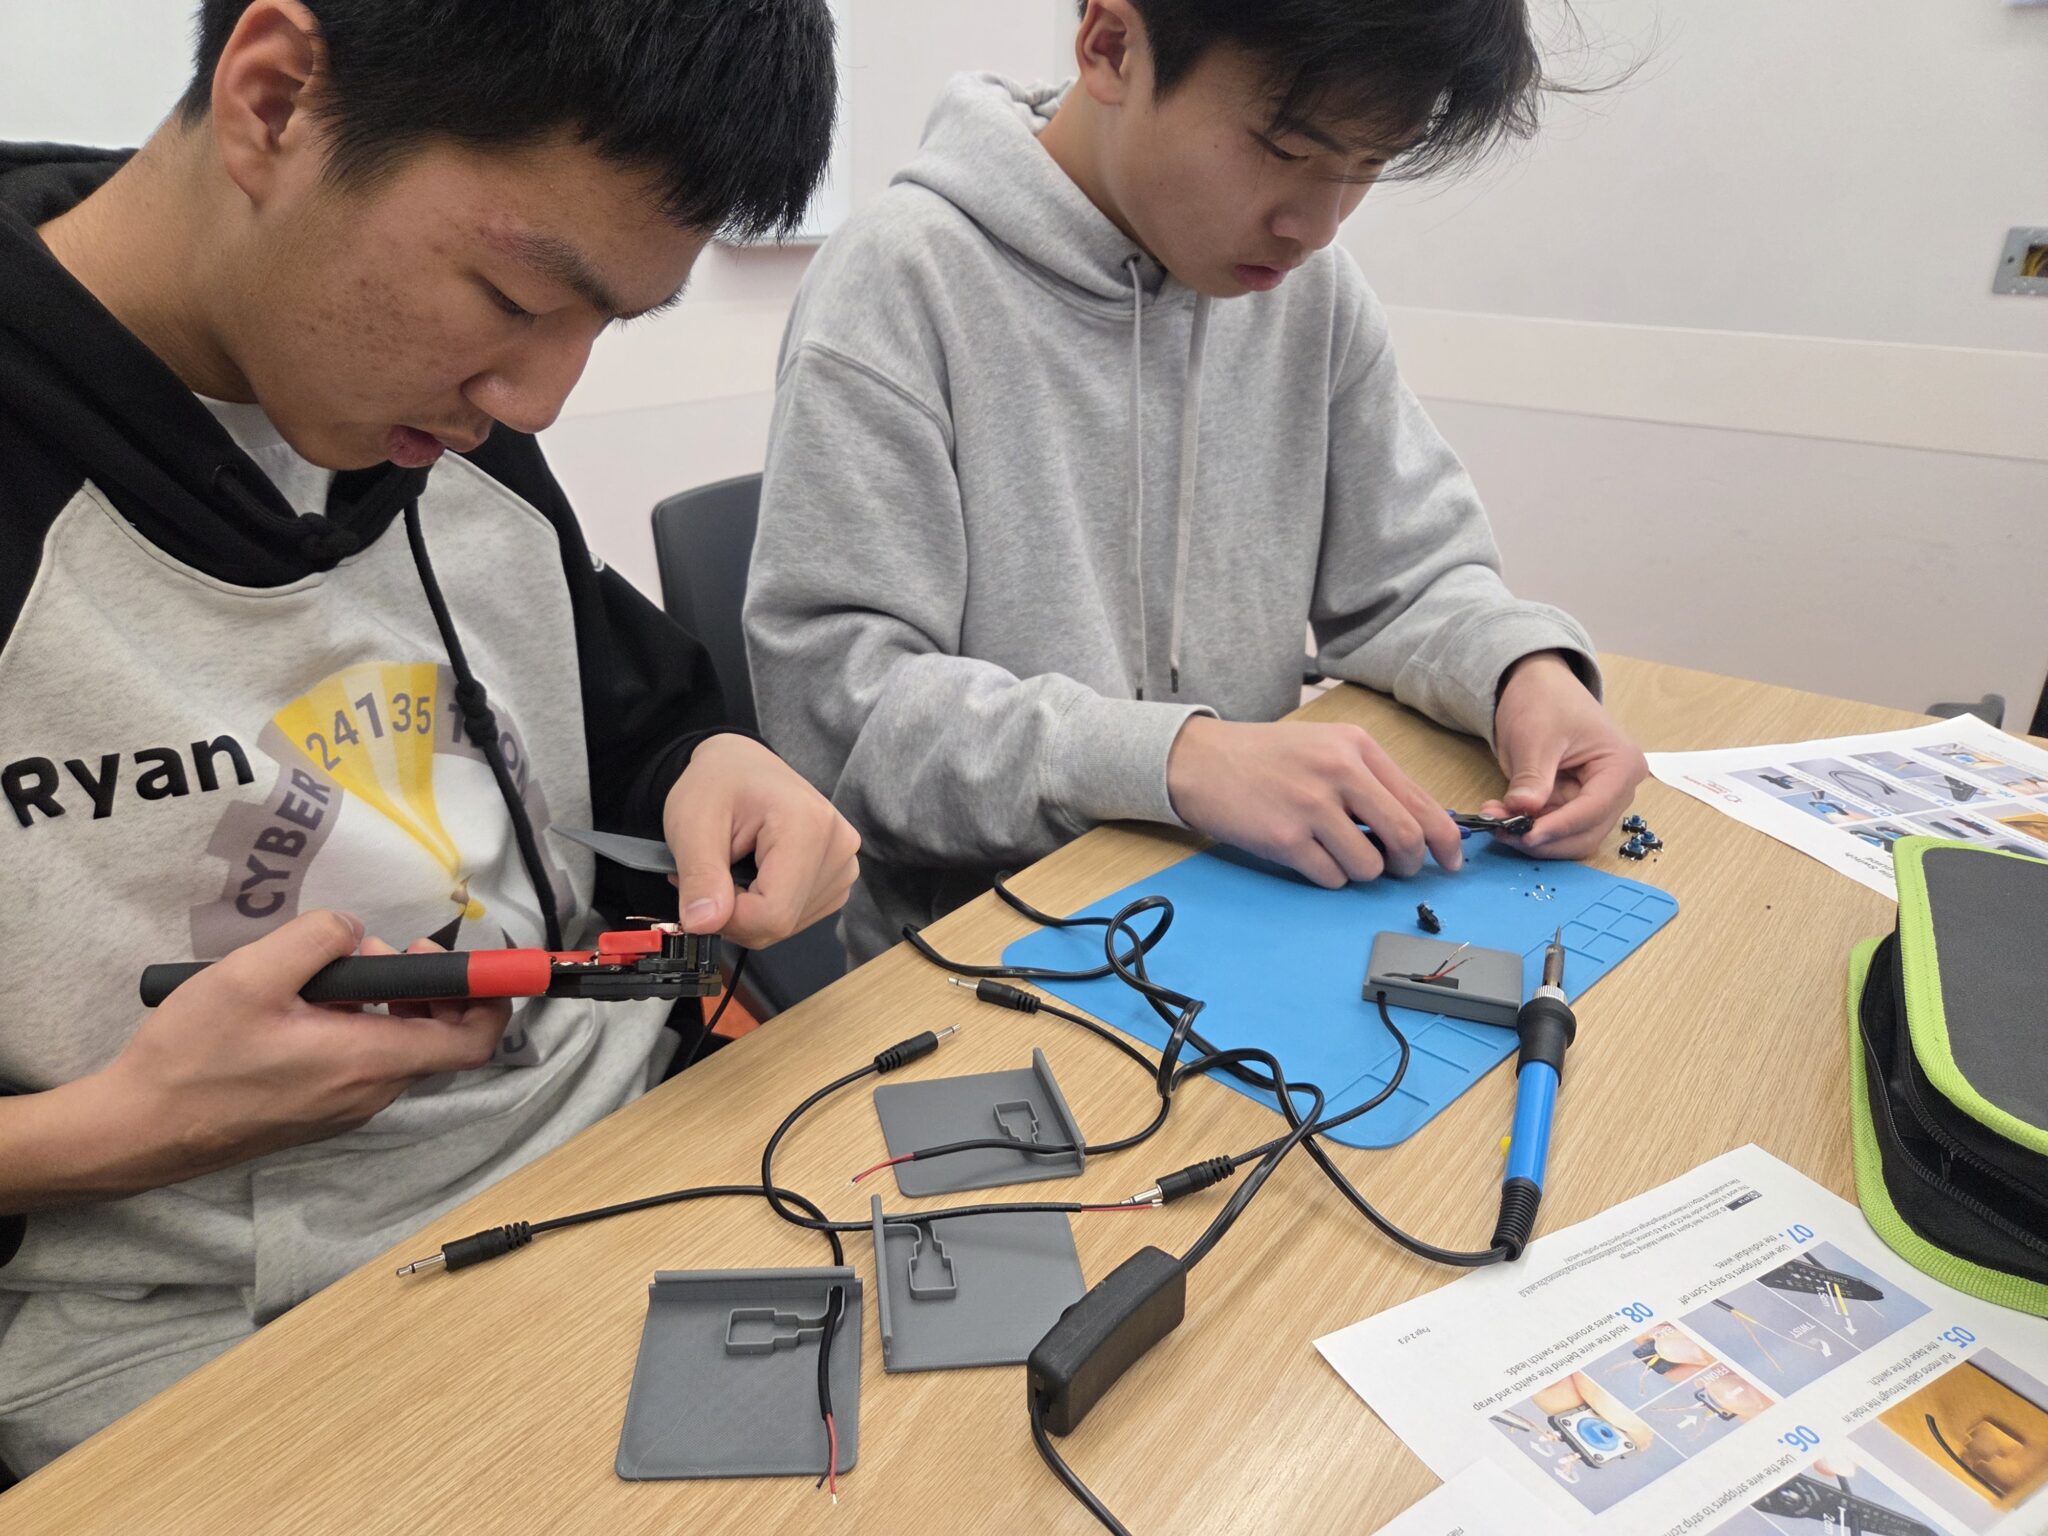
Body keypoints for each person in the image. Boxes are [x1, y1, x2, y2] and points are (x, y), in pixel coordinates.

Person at [0, 0, 855, 1472]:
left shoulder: (433, 421)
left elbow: (621, 718)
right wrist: (111, 1130)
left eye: (608, 326)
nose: (533, 398)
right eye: (518, 301)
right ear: (274, 101)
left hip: (636, 1165)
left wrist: (711, 768)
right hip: (212, 1339)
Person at [747, 0, 1647, 964]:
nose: (1313, 223)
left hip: (1254, 912)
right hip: (983, 956)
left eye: (1369, 165)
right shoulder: (900, 282)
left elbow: (1413, 575)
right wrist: (1173, 761)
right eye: (1286, 149)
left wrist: (1525, 675)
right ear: (1112, 46)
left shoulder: (1312, 294)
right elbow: (838, 713)